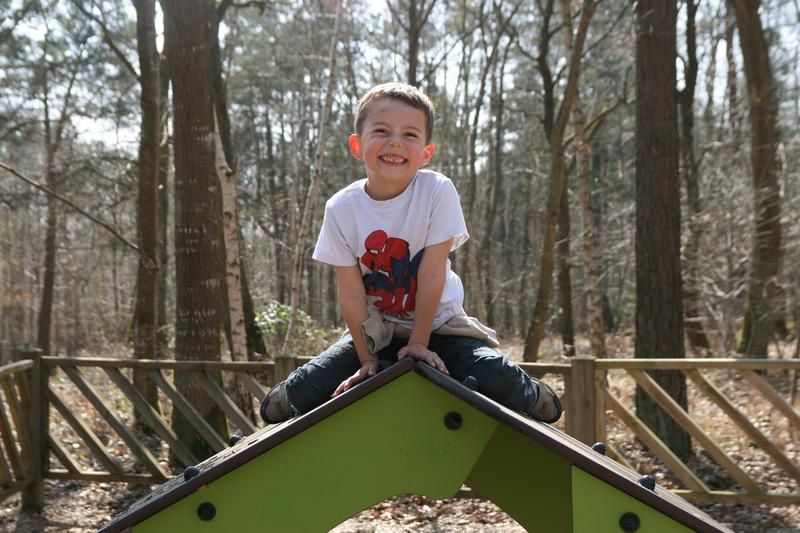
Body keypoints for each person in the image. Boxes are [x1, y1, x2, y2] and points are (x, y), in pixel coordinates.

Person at [260, 82, 562, 424]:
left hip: (440, 328)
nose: (395, 142)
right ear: (357, 145)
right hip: (377, 332)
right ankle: (286, 394)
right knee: (307, 390)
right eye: (382, 130)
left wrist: (419, 344)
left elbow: (431, 273)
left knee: (493, 375)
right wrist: (365, 360)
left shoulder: (436, 191)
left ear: (426, 153)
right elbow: (351, 292)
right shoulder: (341, 208)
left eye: (409, 134)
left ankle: (532, 393)